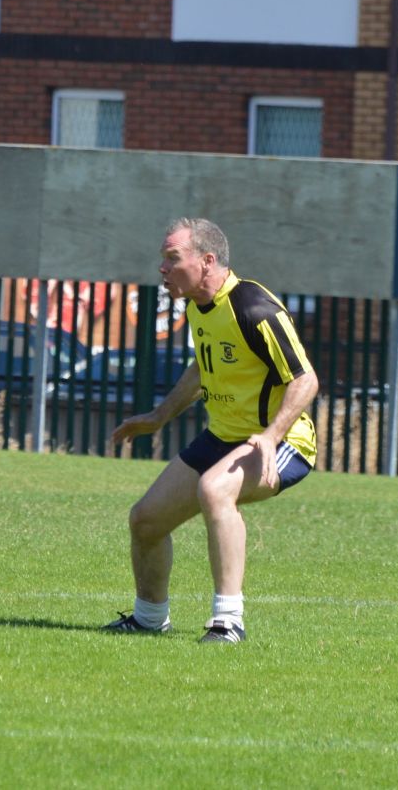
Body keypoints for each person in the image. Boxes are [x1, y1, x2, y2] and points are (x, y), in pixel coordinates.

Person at [103, 217, 318, 643]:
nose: (162, 269)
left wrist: (272, 436)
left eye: (172, 259)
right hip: (222, 437)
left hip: (284, 442)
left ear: (206, 261)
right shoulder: (198, 306)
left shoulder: (254, 308)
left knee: (215, 490)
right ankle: (148, 619)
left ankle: (228, 622)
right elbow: (205, 366)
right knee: (145, 521)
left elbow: (305, 379)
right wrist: (159, 416)